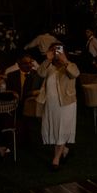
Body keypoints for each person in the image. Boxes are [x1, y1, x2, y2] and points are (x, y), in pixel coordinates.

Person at [36, 42, 80, 171]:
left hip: (66, 104)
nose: (56, 52)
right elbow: (40, 73)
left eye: (58, 50)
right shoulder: (48, 66)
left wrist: (65, 60)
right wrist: (47, 59)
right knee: (55, 130)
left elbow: (75, 73)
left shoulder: (70, 65)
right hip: (51, 104)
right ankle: (65, 151)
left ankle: (55, 160)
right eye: (53, 50)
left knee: (62, 130)